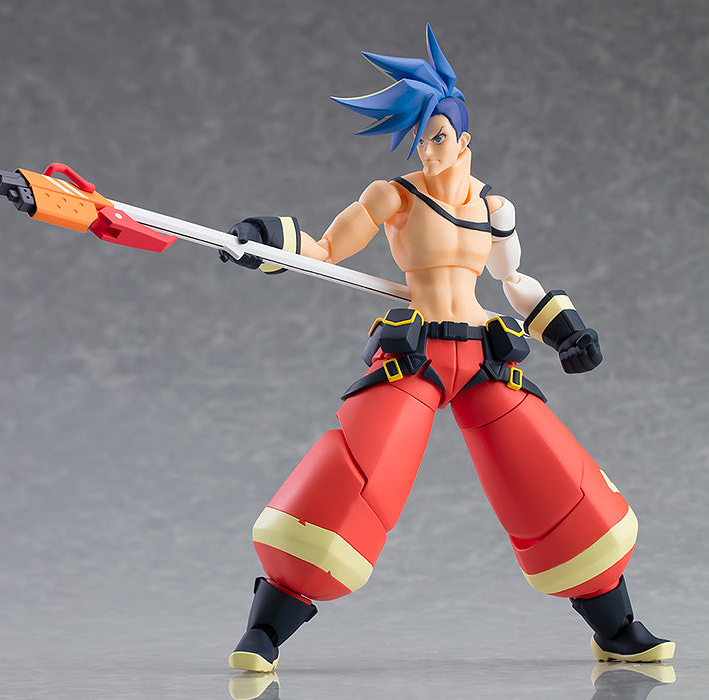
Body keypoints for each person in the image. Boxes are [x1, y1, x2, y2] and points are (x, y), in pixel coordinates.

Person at [221, 24, 674, 672]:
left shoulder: (495, 208)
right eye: (420, 139)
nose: (427, 150)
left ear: (464, 141)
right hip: (418, 353)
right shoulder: (393, 196)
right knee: (354, 478)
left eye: (437, 137)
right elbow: (325, 250)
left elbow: (515, 281)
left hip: (487, 356)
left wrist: (566, 329)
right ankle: (266, 630)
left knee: (553, 481)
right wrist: (265, 240)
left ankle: (617, 628)